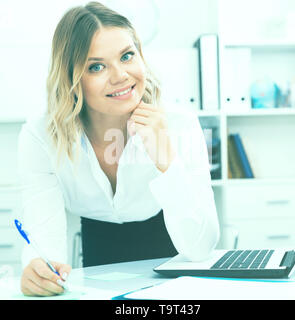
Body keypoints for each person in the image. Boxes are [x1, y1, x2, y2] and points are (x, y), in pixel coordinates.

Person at [17, 1, 220, 297]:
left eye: (127, 56)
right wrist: (38, 269)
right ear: (71, 77)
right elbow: (45, 244)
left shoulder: (180, 124)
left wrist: (166, 161)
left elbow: (200, 248)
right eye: (96, 66)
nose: (120, 75)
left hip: (176, 271)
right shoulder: (41, 136)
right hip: (96, 271)